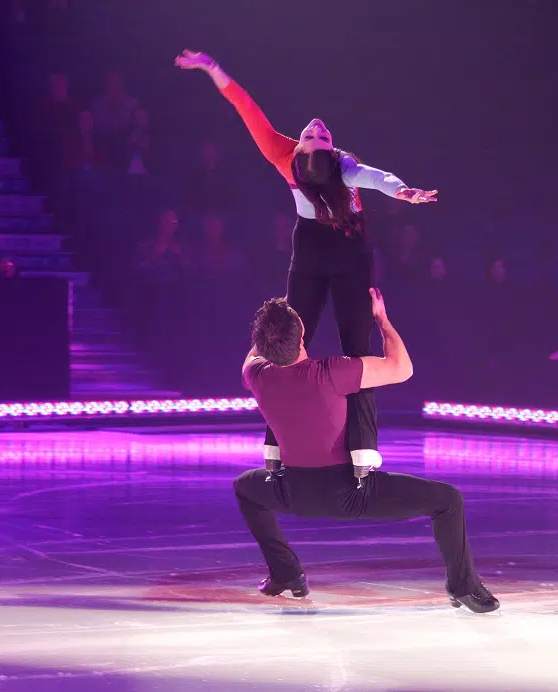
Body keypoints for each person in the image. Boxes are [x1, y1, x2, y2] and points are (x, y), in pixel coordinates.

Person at [176, 50, 437, 480]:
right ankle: (275, 449)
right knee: (287, 346)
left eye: (320, 137)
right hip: (312, 253)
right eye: (318, 138)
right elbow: (247, 109)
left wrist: (404, 191)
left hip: (352, 253)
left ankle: (363, 451)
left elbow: (378, 177)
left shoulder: (334, 164)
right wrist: (211, 68)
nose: (317, 131)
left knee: (358, 346)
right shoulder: (297, 157)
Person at [236, 288, 499, 613]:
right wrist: (382, 321)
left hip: (291, 491)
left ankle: (286, 573)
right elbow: (402, 368)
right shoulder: (331, 373)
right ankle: (464, 587)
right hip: (348, 493)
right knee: (448, 501)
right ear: (302, 333)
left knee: (245, 488)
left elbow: (255, 353)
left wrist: (271, 327)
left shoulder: (256, 375)